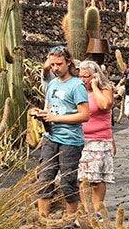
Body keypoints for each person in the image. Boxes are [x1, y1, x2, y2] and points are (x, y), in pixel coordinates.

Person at [31, 47, 90, 218]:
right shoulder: (52, 84)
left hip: (70, 140)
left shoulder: (77, 85)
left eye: (59, 64)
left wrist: (56, 118)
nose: (55, 68)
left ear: (68, 62)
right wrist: (42, 115)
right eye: (53, 64)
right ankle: (43, 219)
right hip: (51, 137)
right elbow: (49, 109)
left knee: (67, 182)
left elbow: (84, 115)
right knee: (44, 178)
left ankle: (71, 219)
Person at [77, 60, 115, 219]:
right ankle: (87, 210)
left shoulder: (105, 89)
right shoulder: (78, 90)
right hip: (81, 139)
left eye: (86, 76)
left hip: (99, 140)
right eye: (80, 76)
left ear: (95, 76)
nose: (83, 79)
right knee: (82, 177)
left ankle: (98, 209)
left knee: (96, 177)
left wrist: (94, 86)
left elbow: (105, 104)